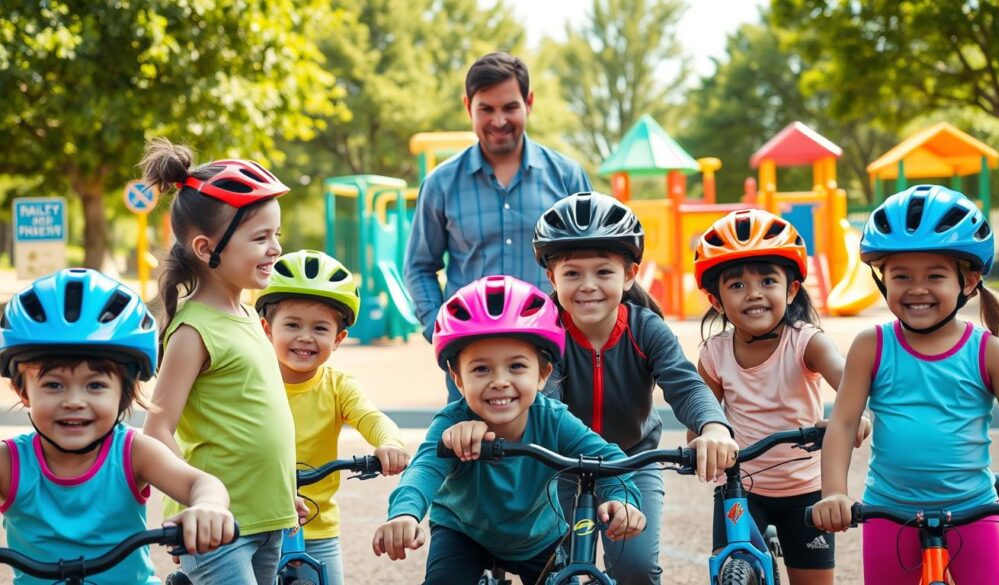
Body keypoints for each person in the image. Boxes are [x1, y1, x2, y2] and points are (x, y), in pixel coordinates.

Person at [811, 185, 999, 585]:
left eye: (936, 275)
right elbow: (841, 424)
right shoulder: (871, 346)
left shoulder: (989, 353)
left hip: (973, 510)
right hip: (889, 511)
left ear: (969, 280)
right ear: (882, 281)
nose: (917, 288)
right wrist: (834, 493)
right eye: (901, 275)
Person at [372, 275, 645, 585]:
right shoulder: (451, 422)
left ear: (543, 373)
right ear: (458, 378)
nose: (499, 380)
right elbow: (423, 470)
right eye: (481, 369)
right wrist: (404, 513)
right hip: (464, 532)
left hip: (538, 535)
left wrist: (624, 500)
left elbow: (608, 459)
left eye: (516, 366)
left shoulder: (553, 419)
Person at [532, 191, 737, 585]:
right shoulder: (545, 334)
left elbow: (685, 384)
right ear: (551, 277)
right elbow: (548, 408)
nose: (588, 285)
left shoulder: (646, 329)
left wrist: (713, 426)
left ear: (629, 275)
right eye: (572, 273)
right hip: (557, 464)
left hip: (632, 462)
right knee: (549, 568)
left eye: (604, 272)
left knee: (635, 569)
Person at [0, 269, 235, 585]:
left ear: (124, 394)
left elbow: (201, 483)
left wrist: (208, 507)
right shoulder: (9, 462)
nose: (74, 401)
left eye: (95, 386)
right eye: (54, 385)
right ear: (23, 392)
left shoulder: (134, 453)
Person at [139, 138, 299, 585]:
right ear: (207, 247)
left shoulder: (248, 316)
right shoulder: (194, 329)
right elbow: (157, 430)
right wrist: (199, 505)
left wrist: (281, 494)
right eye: (260, 237)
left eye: (276, 236)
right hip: (219, 530)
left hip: (267, 518)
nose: (275, 249)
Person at [692, 209, 871, 585]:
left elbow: (849, 383)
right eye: (736, 285)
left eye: (767, 280)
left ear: (791, 290)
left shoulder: (807, 341)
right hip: (739, 487)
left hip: (806, 492)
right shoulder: (714, 353)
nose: (754, 292)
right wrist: (702, 443)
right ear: (716, 300)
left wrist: (851, 417)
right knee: (729, 573)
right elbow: (700, 413)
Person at [404, 51, 593, 402]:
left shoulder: (566, 176)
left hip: (548, 354)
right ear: (468, 107)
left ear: (529, 103)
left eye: (509, 107)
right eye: (486, 109)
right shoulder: (441, 183)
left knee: (551, 450)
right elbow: (419, 266)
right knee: (471, 452)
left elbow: (594, 260)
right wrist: (439, 329)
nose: (499, 120)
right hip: (472, 357)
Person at [254, 249, 410, 584]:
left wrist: (390, 442)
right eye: (292, 324)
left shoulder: (338, 387)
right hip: (255, 523)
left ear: (338, 339)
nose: (305, 337)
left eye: (320, 328)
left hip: (317, 526)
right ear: (267, 329)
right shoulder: (252, 383)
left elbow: (371, 417)